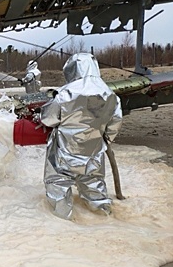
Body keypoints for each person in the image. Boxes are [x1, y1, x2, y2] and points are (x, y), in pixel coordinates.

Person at [39, 53, 123, 220]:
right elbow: (114, 124)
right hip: (93, 154)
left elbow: (48, 119)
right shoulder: (110, 94)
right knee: (95, 187)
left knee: (58, 186)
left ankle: (64, 225)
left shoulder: (65, 93)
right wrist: (102, 140)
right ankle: (106, 220)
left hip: (64, 153)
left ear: (72, 70)